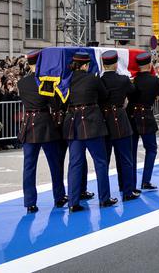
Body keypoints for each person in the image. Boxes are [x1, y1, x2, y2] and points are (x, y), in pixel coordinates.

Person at [63, 50, 116, 212]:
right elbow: (104, 95)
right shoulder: (92, 79)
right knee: (100, 162)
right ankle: (104, 199)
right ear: (85, 65)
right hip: (92, 123)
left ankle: (73, 202)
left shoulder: (66, 80)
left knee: (75, 164)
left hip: (73, 123)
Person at [17, 50, 67, 213]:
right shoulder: (45, 82)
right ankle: (59, 197)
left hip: (29, 124)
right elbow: (55, 104)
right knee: (55, 163)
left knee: (29, 166)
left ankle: (30, 202)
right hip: (45, 125)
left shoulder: (21, 83)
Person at [99, 49, 140, 202]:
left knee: (104, 160)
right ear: (116, 64)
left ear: (103, 64)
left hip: (103, 121)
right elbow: (133, 91)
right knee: (125, 158)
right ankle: (127, 190)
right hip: (120, 120)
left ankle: (105, 195)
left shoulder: (99, 80)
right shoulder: (123, 80)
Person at [127, 52, 159, 191]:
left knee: (132, 151)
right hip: (146, 115)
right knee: (151, 149)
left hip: (131, 116)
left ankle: (132, 183)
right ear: (149, 64)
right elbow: (158, 94)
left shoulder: (133, 80)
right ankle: (146, 181)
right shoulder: (155, 80)